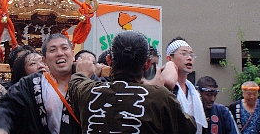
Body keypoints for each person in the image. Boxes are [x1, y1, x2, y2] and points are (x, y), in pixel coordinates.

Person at [69, 30, 197, 133]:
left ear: (109, 60)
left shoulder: (88, 91)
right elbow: (189, 126)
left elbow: (76, 81)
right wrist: (158, 87)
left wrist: (83, 71)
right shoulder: (160, 97)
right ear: (147, 64)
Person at [0, 33, 81, 134]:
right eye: (53, 50)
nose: (60, 53)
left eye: (64, 48)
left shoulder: (87, 79)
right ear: (44, 60)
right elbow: (6, 107)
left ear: (73, 55)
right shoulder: (30, 83)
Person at [165, 36, 207, 134]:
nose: (189, 58)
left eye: (192, 55)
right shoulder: (164, 87)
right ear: (169, 58)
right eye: (184, 54)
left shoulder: (195, 91)